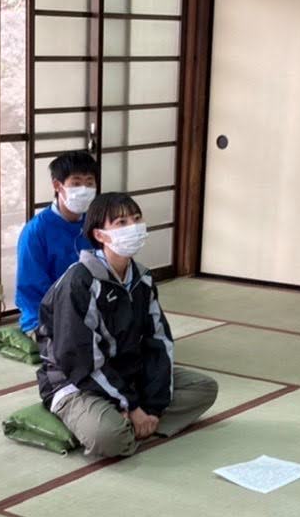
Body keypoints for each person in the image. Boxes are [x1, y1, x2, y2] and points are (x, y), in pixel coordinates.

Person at [36, 192, 218, 458]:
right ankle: (115, 422)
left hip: (126, 373)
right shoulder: (79, 282)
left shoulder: (142, 279)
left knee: (204, 388)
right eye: (121, 223)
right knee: (109, 437)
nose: (133, 227)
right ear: (100, 235)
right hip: (75, 381)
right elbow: (79, 359)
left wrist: (153, 407)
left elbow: (159, 343)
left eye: (136, 219)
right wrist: (131, 405)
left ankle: (130, 423)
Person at [15, 150, 100, 337]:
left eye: (89, 183)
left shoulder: (96, 223)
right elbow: (31, 288)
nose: (84, 189)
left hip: (91, 308)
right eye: (76, 183)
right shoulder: (36, 231)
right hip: (47, 314)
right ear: (57, 185)